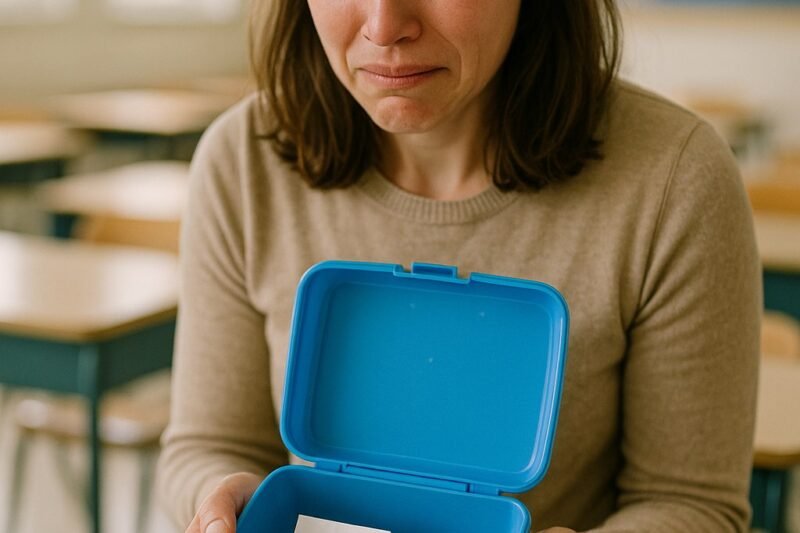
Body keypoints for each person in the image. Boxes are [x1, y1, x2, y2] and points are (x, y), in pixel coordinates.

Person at [156, 1, 762, 532]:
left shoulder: (678, 179)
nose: (385, 25)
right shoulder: (240, 160)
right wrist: (221, 502)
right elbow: (211, 445)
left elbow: (691, 503)